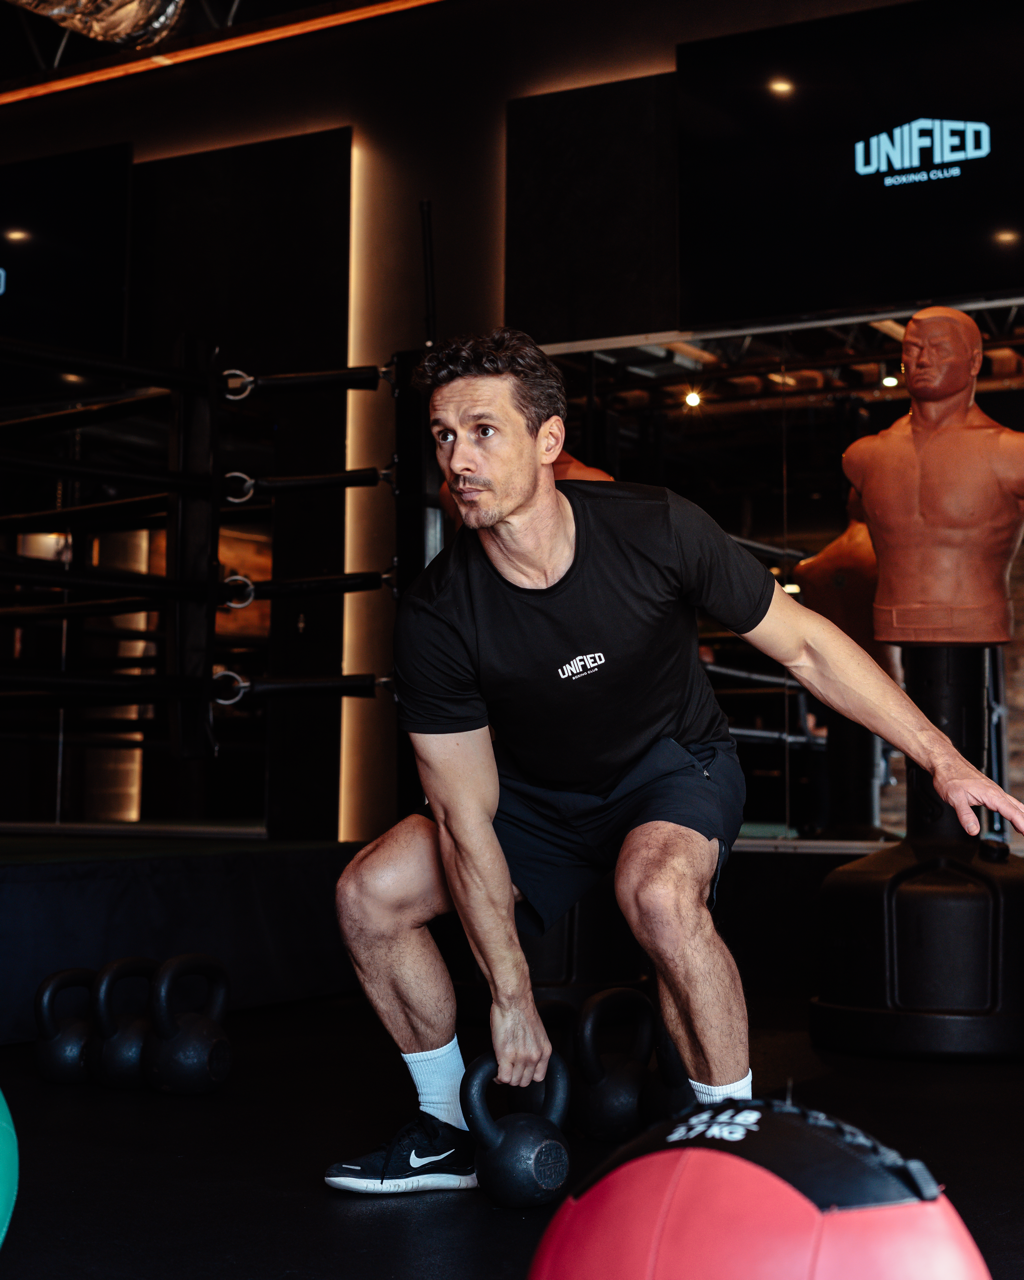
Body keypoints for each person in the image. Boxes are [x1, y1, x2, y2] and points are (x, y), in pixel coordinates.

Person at [326, 328, 1024, 1195]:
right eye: (443, 434)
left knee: (658, 894)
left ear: (548, 442)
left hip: (671, 764)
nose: (458, 456)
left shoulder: (654, 528)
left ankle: (739, 1143)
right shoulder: (439, 613)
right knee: (370, 896)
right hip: (533, 799)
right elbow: (465, 816)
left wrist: (941, 757)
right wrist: (508, 991)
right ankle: (444, 1128)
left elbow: (805, 647)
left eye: (483, 430)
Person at [843, 306, 1024, 645]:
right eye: (911, 349)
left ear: (973, 362)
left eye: (939, 348)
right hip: (890, 619)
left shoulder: (1012, 454)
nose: (922, 360)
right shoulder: (863, 457)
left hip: (979, 619)